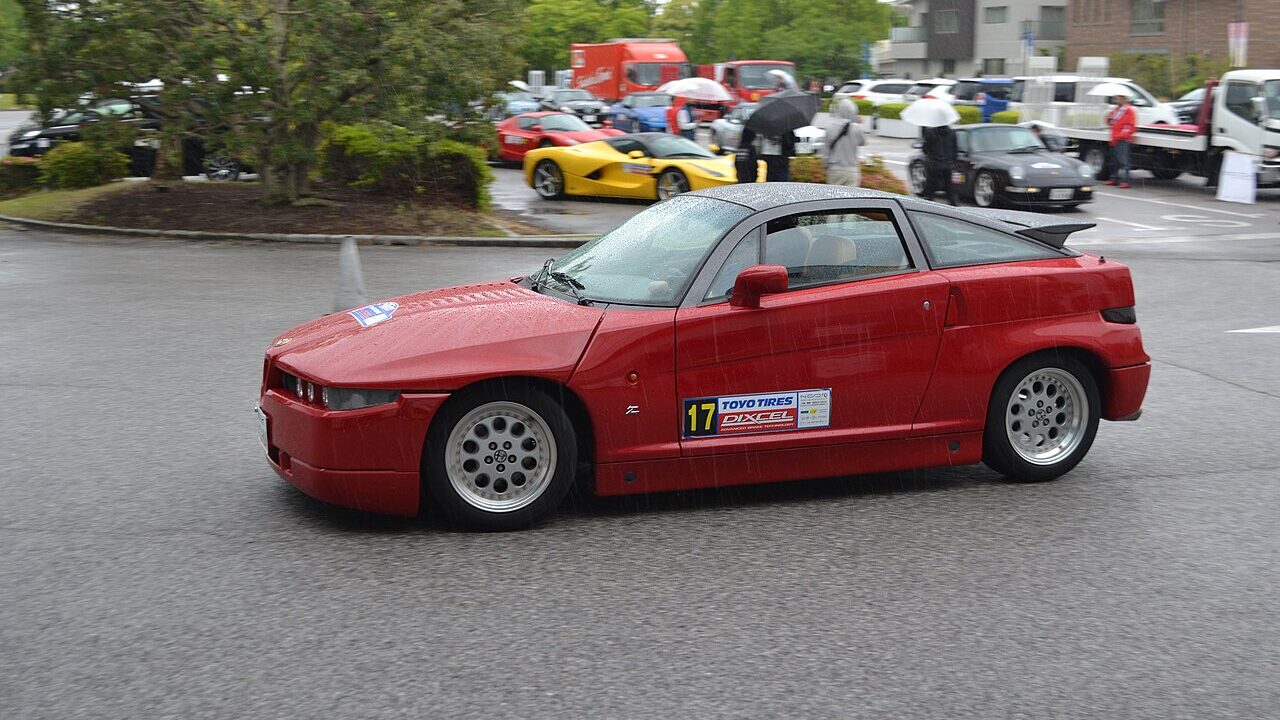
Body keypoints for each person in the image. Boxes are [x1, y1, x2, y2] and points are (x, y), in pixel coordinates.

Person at [820, 99, 866, 187]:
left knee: (834, 198)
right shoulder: (856, 128)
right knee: (851, 199)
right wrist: (859, 124)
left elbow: (825, 150)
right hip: (852, 169)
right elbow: (863, 142)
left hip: (834, 169)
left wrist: (826, 166)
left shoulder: (829, 127)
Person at [920, 123, 958, 205]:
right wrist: (952, 162)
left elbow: (925, 149)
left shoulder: (931, 133)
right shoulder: (952, 133)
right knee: (949, 188)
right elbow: (955, 149)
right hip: (948, 164)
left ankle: (927, 206)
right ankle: (954, 205)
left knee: (930, 188)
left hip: (934, 164)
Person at [1104, 94, 1136, 188]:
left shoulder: (1128, 110)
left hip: (1121, 139)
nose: (1116, 100)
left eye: (1118, 98)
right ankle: (1113, 178)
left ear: (1123, 99)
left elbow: (1130, 126)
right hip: (1114, 138)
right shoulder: (1116, 110)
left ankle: (1126, 181)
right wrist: (1108, 116)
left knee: (1124, 161)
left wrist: (1121, 136)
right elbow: (1110, 122)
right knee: (1114, 161)